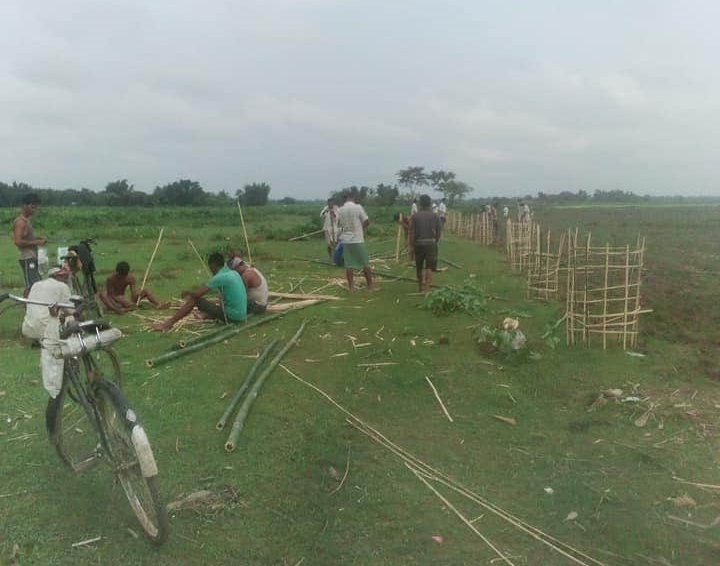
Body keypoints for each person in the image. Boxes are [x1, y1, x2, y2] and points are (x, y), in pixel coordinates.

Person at [152, 252, 247, 332]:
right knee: (215, 302)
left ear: (213, 266)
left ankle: (168, 324)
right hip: (242, 315)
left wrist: (188, 293)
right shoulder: (233, 273)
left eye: (211, 268)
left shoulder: (219, 277)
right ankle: (205, 315)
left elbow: (197, 294)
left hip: (232, 317)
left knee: (195, 300)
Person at [337, 189, 374, 291]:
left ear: (345, 199)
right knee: (365, 263)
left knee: (349, 265)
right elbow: (367, 221)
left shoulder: (340, 210)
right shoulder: (358, 207)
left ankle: (351, 287)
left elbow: (340, 224)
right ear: (352, 198)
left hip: (346, 240)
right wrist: (360, 228)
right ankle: (370, 286)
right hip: (357, 239)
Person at [99, 261, 168, 314]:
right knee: (103, 294)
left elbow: (134, 293)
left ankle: (159, 304)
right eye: (120, 275)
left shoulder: (130, 278)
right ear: (117, 272)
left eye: (124, 275)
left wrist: (137, 297)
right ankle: (118, 310)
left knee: (146, 291)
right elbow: (111, 295)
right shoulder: (111, 278)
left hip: (123, 298)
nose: (122, 277)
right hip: (114, 299)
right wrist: (117, 305)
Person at [13, 193, 47, 296]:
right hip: (27, 257)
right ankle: (27, 308)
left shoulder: (27, 221)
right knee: (31, 285)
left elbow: (26, 238)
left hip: (32, 256)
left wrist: (38, 238)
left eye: (35, 208)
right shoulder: (20, 222)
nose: (34, 210)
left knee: (36, 283)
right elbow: (18, 241)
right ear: (25, 206)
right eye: (32, 207)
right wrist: (36, 242)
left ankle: (30, 306)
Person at [410, 195, 442, 293]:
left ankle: (420, 288)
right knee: (429, 267)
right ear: (429, 203)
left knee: (419, 267)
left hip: (418, 244)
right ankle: (427, 289)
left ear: (420, 203)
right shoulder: (435, 216)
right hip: (431, 244)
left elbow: (412, 232)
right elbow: (439, 231)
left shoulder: (415, 216)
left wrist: (411, 245)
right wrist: (435, 240)